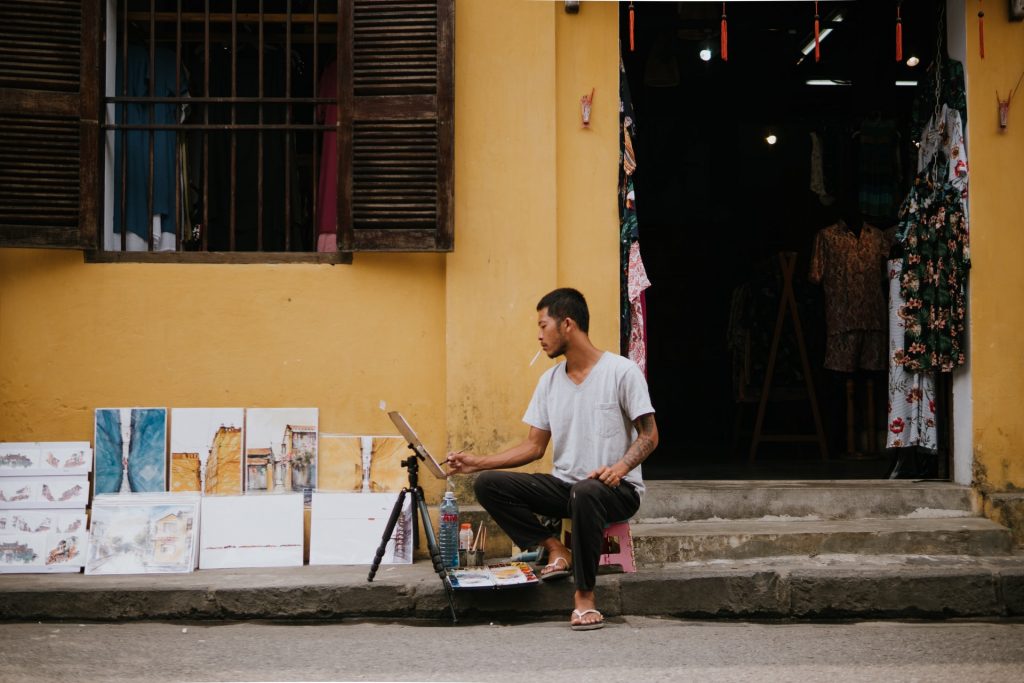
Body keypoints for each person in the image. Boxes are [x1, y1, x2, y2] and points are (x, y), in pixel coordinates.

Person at [446, 288, 658, 631]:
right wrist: (477, 463)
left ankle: (584, 597)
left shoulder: (621, 372)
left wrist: (619, 469)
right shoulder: (549, 382)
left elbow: (649, 435)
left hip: (615, 491)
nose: (539, 335)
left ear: (568, 325)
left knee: (587, 492)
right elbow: (534, 447)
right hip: (566, 488)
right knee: (489, 485)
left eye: (544, 325)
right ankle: (555, 546)